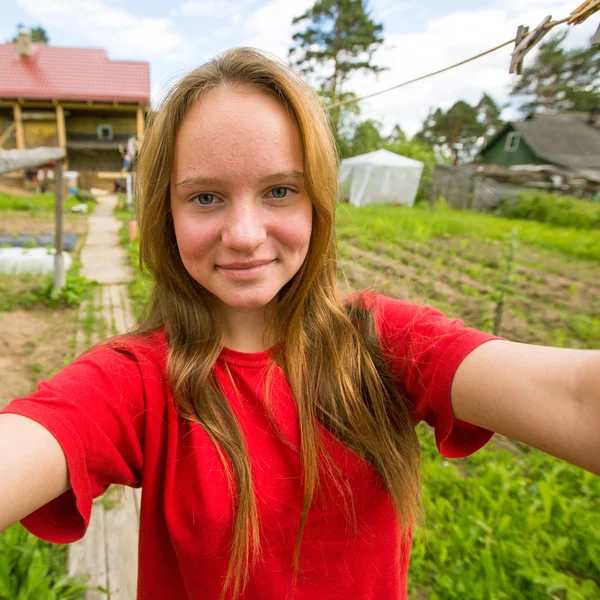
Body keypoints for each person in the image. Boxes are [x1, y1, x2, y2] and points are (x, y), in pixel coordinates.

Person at [0, 48, 598, 600]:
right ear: (166, 212)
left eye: (280, 190)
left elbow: (574, 397)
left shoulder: (385, 344)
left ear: (319, 203)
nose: (244, 235)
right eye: (205, 197)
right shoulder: (136, 382)